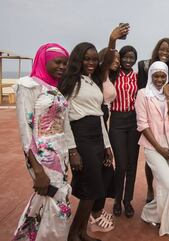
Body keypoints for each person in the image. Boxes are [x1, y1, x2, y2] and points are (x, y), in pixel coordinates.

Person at [59, 25, 127, 241]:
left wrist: (107, 146)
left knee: (100, 184)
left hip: (98, 135)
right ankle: (74, 235)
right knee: (91, 188)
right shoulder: (71, 82)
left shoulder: (93, 80)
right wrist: (72, 151)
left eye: (92, 59)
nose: (91, 63)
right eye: (86, 59)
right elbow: (64, 119)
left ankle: (82, 232)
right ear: (78, 60)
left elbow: (99, 116)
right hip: (81, 137)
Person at [12, 43, 71, 241]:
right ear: (44, 61)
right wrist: (36, 169)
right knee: (56, 200)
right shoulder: (28, 85)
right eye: (58, 62)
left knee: (48, 201)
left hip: (60, 153)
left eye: (65, 63)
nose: (62, 66)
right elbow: (25, 130)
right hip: (42, 156)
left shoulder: (53, 87)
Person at [136, 61, 169, 237]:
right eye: (156, 76)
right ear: (150, 76)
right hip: (153, 147)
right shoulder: (142, 94)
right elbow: (142, 125)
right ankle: (166, 224)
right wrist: (159, 148)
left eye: (163, 76)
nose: (159, 79)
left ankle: (149, 212)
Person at [137, 38, 169, 203]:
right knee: (151, 159)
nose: (165, 53)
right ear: (157, 50)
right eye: (162, 49)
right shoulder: (145, 66)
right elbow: (143, 89)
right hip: (148, 114)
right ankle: (150, 187)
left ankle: (167, 193)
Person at [85, 47, 121, 232]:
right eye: (113, 58)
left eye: (118, 58)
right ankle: (94, 216)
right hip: (93, 127)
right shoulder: (97, 77)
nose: (117, 61)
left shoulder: (108, 76)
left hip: (103, 124)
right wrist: (113, 39)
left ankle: (97, 210)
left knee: (106, 170)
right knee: (99, 172)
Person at [110, 45, 140, 218]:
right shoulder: (113, 75)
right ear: (120, 58)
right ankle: (116, 199)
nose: (128, 60)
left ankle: (127, 201)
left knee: (132, 164)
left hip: (134, 121)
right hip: (117, 120)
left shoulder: (137, 77)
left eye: (132, 57)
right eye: (125, 57)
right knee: (121, 164)